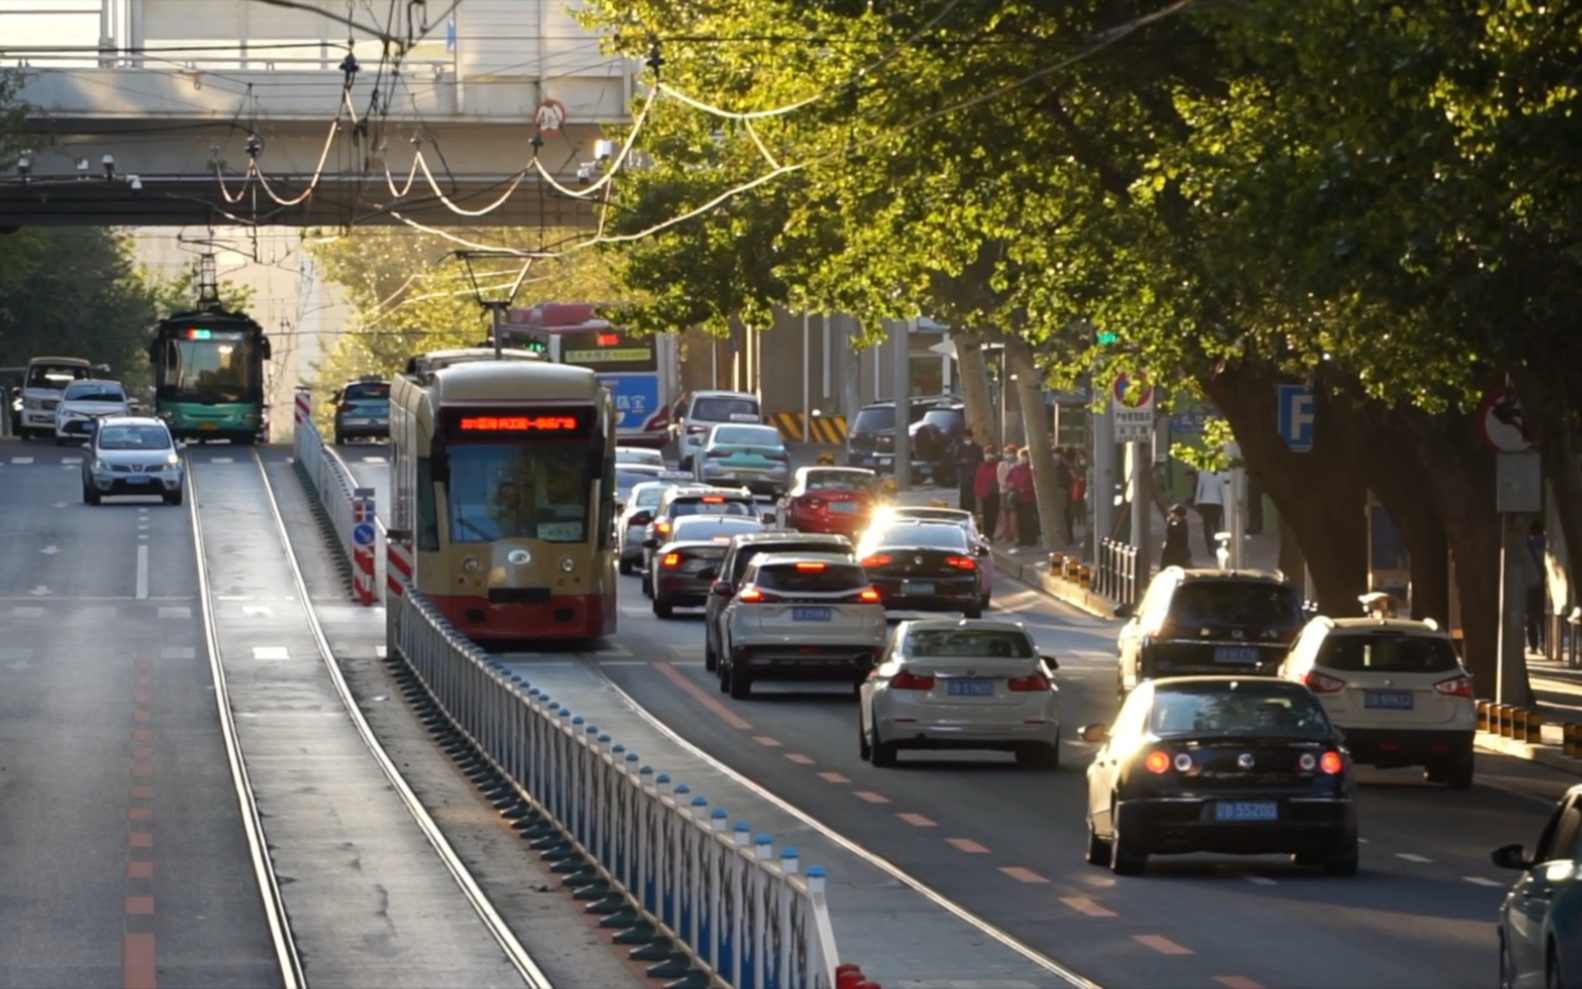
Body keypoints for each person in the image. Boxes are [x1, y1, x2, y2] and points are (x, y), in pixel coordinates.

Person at [1007, 448, 1038, 548]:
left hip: (1028, 498)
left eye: (1025, 456)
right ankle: (1021, 539)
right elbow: (1008, 478)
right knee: (1019, 520)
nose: (1023, 458)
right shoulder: (1015, 469)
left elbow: (1034, 484)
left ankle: (1030, 539)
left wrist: (1025, 489)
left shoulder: (1031, 469)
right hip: (1017, 498)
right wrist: (1010, 484)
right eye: (1022, 456)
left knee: (1028, 519)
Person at [1193, 467, 1226, 557]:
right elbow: (1222, 491)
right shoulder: (1221, 475)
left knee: (1207, 526)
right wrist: (1225, 504)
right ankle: (1216, 546)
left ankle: (1210, 547)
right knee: (1216, 526)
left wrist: (1196, 502)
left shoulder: (1202, 474)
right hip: (1217, 503)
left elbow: (1199, 489)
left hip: (1205, 502)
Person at [1527, 519, 1548, 654]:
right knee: (1542, 615)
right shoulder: (1547, 543)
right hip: (1543, 584)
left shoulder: (1528, 545)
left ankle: (1533, 645)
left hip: (1529, 585)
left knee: (1530, 617)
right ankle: (1544, 643)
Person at [956, 428, 984, 515]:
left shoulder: (977, 448)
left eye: (968, 437)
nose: (967, 440)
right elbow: (954, 462)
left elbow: (981, 462)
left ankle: (972, 513)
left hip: (974, 477)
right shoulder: (960, 448)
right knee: (964, 497)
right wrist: (962, 462)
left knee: (972, 498)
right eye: (965, 438)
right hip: (964, 478)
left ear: (972, 437)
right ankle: (963, 513)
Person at [975, 452, 1002, 542]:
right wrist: (977, 493)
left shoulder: (997, 465)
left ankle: (991, 534)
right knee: (986, 514)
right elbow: (978, 479)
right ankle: (986, 533)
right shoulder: (981, 466)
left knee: (993, 514)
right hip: (984, 493)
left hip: (995, 493)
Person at [1159, 503, 1193, 569]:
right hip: (1169, 549)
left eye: (1176, 515)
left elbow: (1176, 533)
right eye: (1173, 514)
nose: (1174, 516)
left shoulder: (1183, 524)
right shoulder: (1171, 522)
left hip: (1179, 551)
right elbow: (1169, 533)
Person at [997, 444, 1018, 542]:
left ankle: (1014, 534)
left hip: (1014, 491)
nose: (1008, 455)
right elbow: (999, 477)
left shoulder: (1018, 464)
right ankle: (1006, 534)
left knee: (1014, 513)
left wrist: (1013, 486)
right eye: (1006, 452)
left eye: (1010, 453)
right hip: (1003, 491)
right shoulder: (1001, 464)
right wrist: (1005, 485)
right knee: (1005, 513)